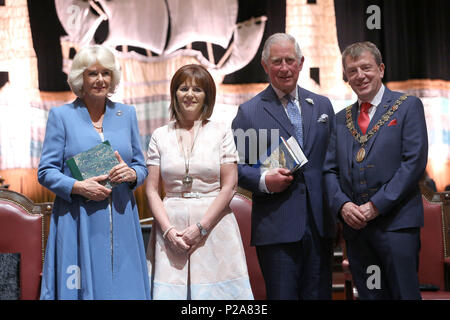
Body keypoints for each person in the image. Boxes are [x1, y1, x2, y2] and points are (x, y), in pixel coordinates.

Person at [38, 45, 150, 299]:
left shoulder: (127, 114)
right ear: (80, 78)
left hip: (122, 216)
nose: (100, 79)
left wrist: (133, 174)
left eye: (106, 73)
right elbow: (46, 171)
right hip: (77, 218)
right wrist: (78, 187)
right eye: (92, 74)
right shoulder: (61, 116)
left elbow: (141, 166)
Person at [231, 33, 336, 299]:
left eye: (290, 60)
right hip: (277, 227)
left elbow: (333, 162)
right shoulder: (250, 112)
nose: (285, 68)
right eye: (277, 61)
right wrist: (265, 180)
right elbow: (237, 168)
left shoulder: (322, 105)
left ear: (301, 63)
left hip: (320, 226)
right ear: (265, 66)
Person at [324, 41, 428, 299]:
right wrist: (343, 206)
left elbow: (413, 163)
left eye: (366, 67)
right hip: (357, 230)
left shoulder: (408, 106)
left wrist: (376, 205)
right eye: (352, 71)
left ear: (381, 69)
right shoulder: (340, 119)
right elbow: (329, 171)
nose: (360, 75)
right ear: (346, 77)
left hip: (397, 225)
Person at [145, 64, 253, 300]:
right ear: (174, 93)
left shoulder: (221, 132)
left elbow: (229, 186)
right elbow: (152, 190)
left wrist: (201, 228)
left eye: (197, 89)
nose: (190, 95)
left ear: (207, 96)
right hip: (170, 227)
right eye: (183, 88)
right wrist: (168, 231)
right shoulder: (160, 135)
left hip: (214, 225)